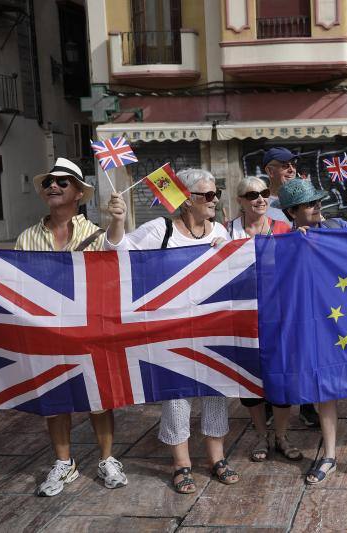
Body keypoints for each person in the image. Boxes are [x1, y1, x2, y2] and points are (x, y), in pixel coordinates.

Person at [105, 168, 239, 494]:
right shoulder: (160, 229)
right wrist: (118, 221)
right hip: (172, 326)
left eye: (216, 192)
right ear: (186, 200)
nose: (214, 199)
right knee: (177, 394)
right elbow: (115, 253)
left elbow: (237, 268)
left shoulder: (219, 229)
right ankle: (181, 464)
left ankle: (217, 458)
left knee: (215, 388)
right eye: (207, 195)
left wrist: (228, 250)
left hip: (212, 324)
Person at [16, 157, 127, 497]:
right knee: (55, 398)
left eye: (62, 182)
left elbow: (116, 257)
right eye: (49, 181)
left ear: (79, 193)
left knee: (99, 397)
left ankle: (107, 459)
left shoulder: (96, 235)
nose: (53, 185)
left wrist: (119, 222)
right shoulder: (26, 237)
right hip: (46, 332)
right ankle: (64, 463)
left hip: (89, 330)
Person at [274, 179, 347, 485]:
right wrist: (297, 245)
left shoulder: (339, 226)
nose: (318, 206)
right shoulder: (285, 242)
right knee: (325, 392)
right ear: (292, 212)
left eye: (318, 201)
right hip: (316, 325)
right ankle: (329, 456)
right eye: (310, 204)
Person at [226, 176, 302, 462]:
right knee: (249, 379)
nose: (260, 199)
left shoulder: (284, 229)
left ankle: (281, 435)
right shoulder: (226, 231)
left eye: (264, 193)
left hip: (279, 317)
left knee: (282, 377)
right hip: (241, 316)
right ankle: (261, 435)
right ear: (240, 201)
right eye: (252, 194)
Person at [260, 147, 322, 427]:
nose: (290, 168)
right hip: (277, 288)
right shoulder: (259, 199)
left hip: (307, 288)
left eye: (293, 164)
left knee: (307, 345)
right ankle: (275, 404)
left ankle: (308, 404)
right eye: (283, 164)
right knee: (280, 347)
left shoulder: (305, 193)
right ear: (268, 170)